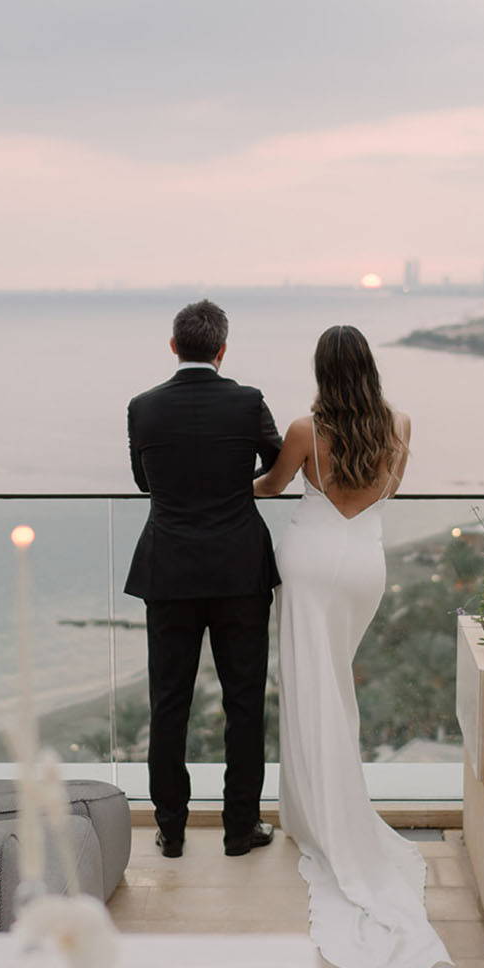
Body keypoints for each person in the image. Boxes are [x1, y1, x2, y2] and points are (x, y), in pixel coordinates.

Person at [254, 324, 454, 968]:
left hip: (310, 561)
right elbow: (386, 491)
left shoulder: (305, 431)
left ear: (322, 369)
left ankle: (320, 819)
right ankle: (325, 813)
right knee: (332, 687)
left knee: (309, 689)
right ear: (367, 367)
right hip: (362, 565)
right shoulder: (398, 425)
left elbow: (269, 487)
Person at [125, 299, 283, 858]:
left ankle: (171, 829)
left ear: (174, 346)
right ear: (222, 350)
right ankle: (240, 827)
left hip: (168, 570)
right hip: (239, 569)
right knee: (244, 702)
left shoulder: (143, 408)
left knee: (169, 703)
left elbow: (145, 483)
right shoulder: (247, 402)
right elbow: (277, 466)